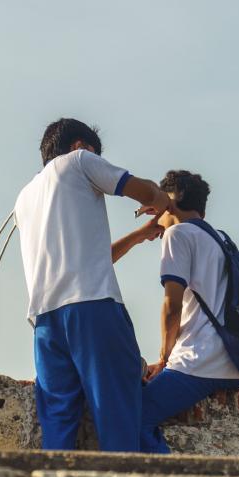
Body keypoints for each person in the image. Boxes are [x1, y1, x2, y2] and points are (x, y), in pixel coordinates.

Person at [14, 117, 171, 452]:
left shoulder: (25, 197)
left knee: (58, 420)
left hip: (45, 320)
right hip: (92, 308)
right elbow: (142, 190)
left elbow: (92, 258)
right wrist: (161, 200)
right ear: (80, 146)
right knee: (117, 411)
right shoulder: (80, 161)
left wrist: (138, 236)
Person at [139, 169, 239, 454]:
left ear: (170, 201)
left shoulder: (178, 234)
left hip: (201, 361)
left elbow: (172, 306)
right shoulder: (219, 239)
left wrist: (164, 358)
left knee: (133, 416)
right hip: (238, 362)